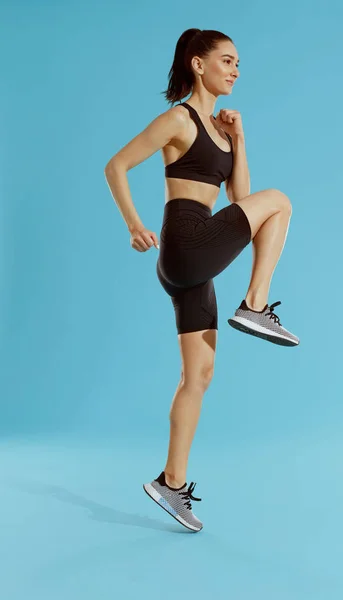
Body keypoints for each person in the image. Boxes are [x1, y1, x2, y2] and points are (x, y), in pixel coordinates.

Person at [104, 28, 299, 533]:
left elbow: (239, 198)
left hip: (195, 257)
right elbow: (117, 165)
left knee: (199, 377)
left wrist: (239, 138)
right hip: (187, 241)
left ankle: (171, 483)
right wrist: (133, 225)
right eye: (228, 61)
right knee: (280, 201)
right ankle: (254, 304)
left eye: (239, 64)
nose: (236, 70)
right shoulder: (179, 119)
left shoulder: (218, 126)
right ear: (197, 64)